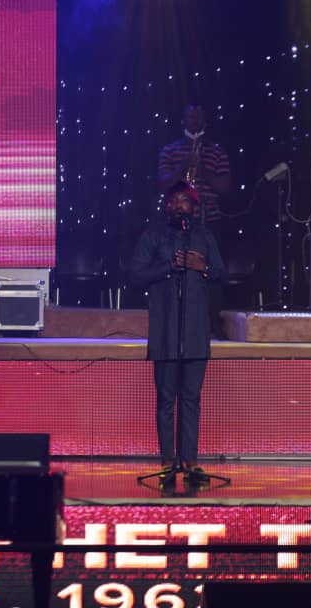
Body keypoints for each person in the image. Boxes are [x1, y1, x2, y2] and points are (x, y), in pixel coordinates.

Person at [129, 182, 226, 484]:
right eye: (174, 200)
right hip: (166, 331)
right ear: (167, 205)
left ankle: (191, 462)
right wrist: (169, 266)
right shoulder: (154, 234)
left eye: (185, 200)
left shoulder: (203, 236)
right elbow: (135, 274)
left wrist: (203, 266)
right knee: (166, 399)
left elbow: (222, 274)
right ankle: (168, 462)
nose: (179, 205)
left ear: (195, 207)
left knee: (191, 399)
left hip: (196, 332)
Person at [157, 104, 233, 336]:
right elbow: (162, 183)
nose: (194, 120)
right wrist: (184, 166)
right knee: (175, 268)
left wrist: (201, 169)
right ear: (183, 119)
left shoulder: (216, 152)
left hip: (208, 221)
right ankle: (174, 325)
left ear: (205, 120)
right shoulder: (170, 150)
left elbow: (225, 188)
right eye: (190, 115)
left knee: (211, 272)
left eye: (199, 116)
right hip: (175, 225)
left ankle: (211, 325)